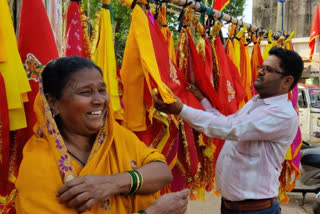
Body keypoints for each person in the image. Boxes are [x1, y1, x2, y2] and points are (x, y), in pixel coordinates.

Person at [15, 56, 189, 214]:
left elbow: (162, 171)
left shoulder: (116, 136)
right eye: (85, 92)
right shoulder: (38, 165)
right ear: (53, 102)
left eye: (101, 90)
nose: (99, 100)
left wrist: (113, 183)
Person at [153, 47, 304, 214]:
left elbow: (229, 128)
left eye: (268, 70)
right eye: (261, 67)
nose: (260, 72)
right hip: (232, 207)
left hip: (255, 210)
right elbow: (228, 122)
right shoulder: (256, 102)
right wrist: (202, 99)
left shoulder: (282, 114)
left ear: (286, 81)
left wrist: (180, 109)